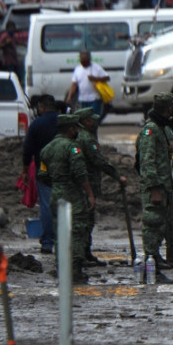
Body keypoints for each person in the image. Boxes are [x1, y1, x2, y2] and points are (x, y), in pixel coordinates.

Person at [39, 114, 95, 283]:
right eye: (76, 128)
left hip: (56, 194)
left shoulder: (47, 149)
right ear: (71, 129)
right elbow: (81, 174)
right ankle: (75, 270)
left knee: (59, 232)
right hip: (73, 195)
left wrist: (57, 184)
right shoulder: (73, 148)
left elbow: (42, 174)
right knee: (77, 231)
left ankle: (61, 268)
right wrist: (90, 194)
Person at [74, 108, 127, 266]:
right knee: (86, 221)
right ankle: (81, 255)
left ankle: (85, 253)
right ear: (86, 121)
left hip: (83, 185)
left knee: (87, 220)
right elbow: (99, 161)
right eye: (93, 119)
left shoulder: (81, 135)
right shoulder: (87, 139)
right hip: (86, 185)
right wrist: (117, 176)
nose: (96, 122)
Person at [136, 92, 173, 283]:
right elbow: (147, 162)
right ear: (168, 108)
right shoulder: (151, 130)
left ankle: (154, 262)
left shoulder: (161, 128)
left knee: (163, 225)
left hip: (163, 186)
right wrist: (153, 188)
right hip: (155, 187)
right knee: (153, 226)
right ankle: (149, 268)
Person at [21, 95, 59, 254]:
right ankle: (67, 241)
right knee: (66, 204)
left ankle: (48, 242)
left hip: (43, 171)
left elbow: (27, 150)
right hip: (65, 171)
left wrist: (24, 172)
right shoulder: (66, 122)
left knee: (46, 205)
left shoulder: (36, 125)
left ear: (42, 107)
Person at [66, 50, 108, 118]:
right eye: (82, 59)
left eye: (85, 59)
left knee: (93, 119)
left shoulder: (96, 67)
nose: (83, 61)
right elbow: (74, 84)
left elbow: (107, 78)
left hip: (95, 99)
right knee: (84, 119)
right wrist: (70, 96)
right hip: (83, 100)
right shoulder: (78, 69)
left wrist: (95, 78)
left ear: (89, 58)